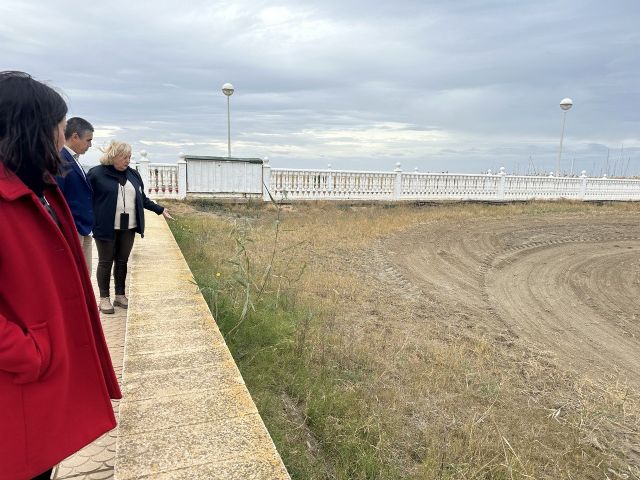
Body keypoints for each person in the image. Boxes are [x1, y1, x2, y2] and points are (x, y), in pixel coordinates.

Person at [0, 71, 121, 480]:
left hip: (38, 382)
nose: (62, 135)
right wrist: (30, 351)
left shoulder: (39, 187)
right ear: (29, 128)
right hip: (19, 379)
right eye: (57, 126)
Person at [88, 141, 172, 314]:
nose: (128, 160)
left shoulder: (133, 175)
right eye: (124, 157)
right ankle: (104, 298)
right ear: (113, 156)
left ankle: (120, 295)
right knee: (105, 262)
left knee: (122, 261)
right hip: (105, 226)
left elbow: (142, 199)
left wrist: (160, 209)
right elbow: (86, 199)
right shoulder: (96, 174)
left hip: (129, 226)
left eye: (129, 156)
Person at [56, 117, 95, 272]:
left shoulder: (74, 159)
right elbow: (58, 197)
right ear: (74, 137)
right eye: (88, 140)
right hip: (73, 229)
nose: (90, 145)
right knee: (76, 275)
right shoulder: (61, 159)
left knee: (85, 275)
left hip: (83, 228)